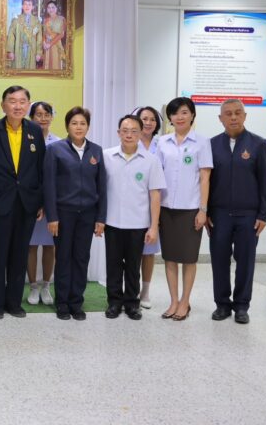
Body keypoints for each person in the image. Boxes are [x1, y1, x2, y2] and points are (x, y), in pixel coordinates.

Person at [0, 86, 45, 320]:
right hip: (0, 202)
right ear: (3, 105)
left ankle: (14, 302)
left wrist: (41, 201)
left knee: (20, 254)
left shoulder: (35, 131)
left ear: (28, 105)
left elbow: (40, 168)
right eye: (12, 101)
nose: (17, 106)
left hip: (27, 203)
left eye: (22, 101)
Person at [209, 99, 266, 324]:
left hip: (248, 215)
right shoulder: (212, 145)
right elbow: (206, 182)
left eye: (238, 113)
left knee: (245, 262)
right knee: (219, 261)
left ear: (245, 116)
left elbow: (265, 182)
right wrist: (206, 212)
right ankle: (222, 305)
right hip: (219, 215)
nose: (233, 117)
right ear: (220, 118)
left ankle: (242, 306)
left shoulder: (258, 144)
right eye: (228, 113)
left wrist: (263, 214)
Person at [44, 107, 106, 320]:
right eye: (74, 123)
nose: (78, 127)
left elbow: (102, 187)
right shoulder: (55, 149)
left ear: (88, 126)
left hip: (87, 214)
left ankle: (76, 302)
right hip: (63, 214)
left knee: (81, 258)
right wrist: (52, 216)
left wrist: (101, 218)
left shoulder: (96, 151)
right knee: (63, 257)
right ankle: (62, 303)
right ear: (67, 126)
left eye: (82, 123)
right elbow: (49, 185)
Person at [103, 115, 165, 320]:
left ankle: (131, 303)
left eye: (133, 131)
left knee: (133, 266)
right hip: (112, 222)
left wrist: (153, 227)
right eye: (125, 130)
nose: (129, 135)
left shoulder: (151, 160)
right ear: (118, 133)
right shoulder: (107, 156)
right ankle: (114, 302)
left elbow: (155, 195)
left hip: (138, 223)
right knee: (113, 265)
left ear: (140, 133)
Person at [156, 98, 212, 322]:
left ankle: (185, 301)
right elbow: (157, 176)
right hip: (166, 208)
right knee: (170, 258)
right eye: (175, 113)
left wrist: (203, 210)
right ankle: (173, 301)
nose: (179, 117)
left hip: (191, 209)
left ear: (192, 115)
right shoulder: (162, 142)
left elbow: (205, 178)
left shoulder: (202, 142)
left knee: (189, 258)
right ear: (169, 118)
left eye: (184, 112)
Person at [27, 101, 60, 306]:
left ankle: (46, 286)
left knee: (49, 245)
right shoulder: (26, 139)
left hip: (52, 203)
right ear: (31, 118)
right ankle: (33, 286)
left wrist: (49, 204)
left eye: (46, 114)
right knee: (30, 245)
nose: (43, 118)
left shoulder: (59, 143)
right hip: (31, 202)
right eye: (38, 114)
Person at [134, 105, 162, 309]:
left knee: (148, 251)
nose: (148, 122)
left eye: (152, 119)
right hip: (133, 204)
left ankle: (145, 291)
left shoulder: (163, 144)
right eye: (144, 119)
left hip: (154, 203)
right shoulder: (130, 142)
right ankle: (131, 288)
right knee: (133, 251)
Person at [6, 0, 42, 70]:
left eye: (29, 4)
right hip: (18, 49)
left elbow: (39, 38)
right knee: (17, 71)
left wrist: (38, 53)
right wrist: (11, 51)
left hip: (32, 50)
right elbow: (11, 36)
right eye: (25, 4)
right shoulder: (16, 19)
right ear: (22, 6)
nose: (27, 6)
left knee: (29, 73)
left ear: (32, 7)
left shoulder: (36, 21)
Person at [42, 0, 67, 71]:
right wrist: (44, 42)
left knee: (55, 65)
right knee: (47, 66)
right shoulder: (46, 20)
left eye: (53, 7)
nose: (51, 9)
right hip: (46, 46)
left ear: (56, 8)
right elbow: (44, 33)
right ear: (47, 9)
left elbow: (61, 34)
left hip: (56, 45)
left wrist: (50, 44)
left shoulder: (61, 19)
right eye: (49, 7)